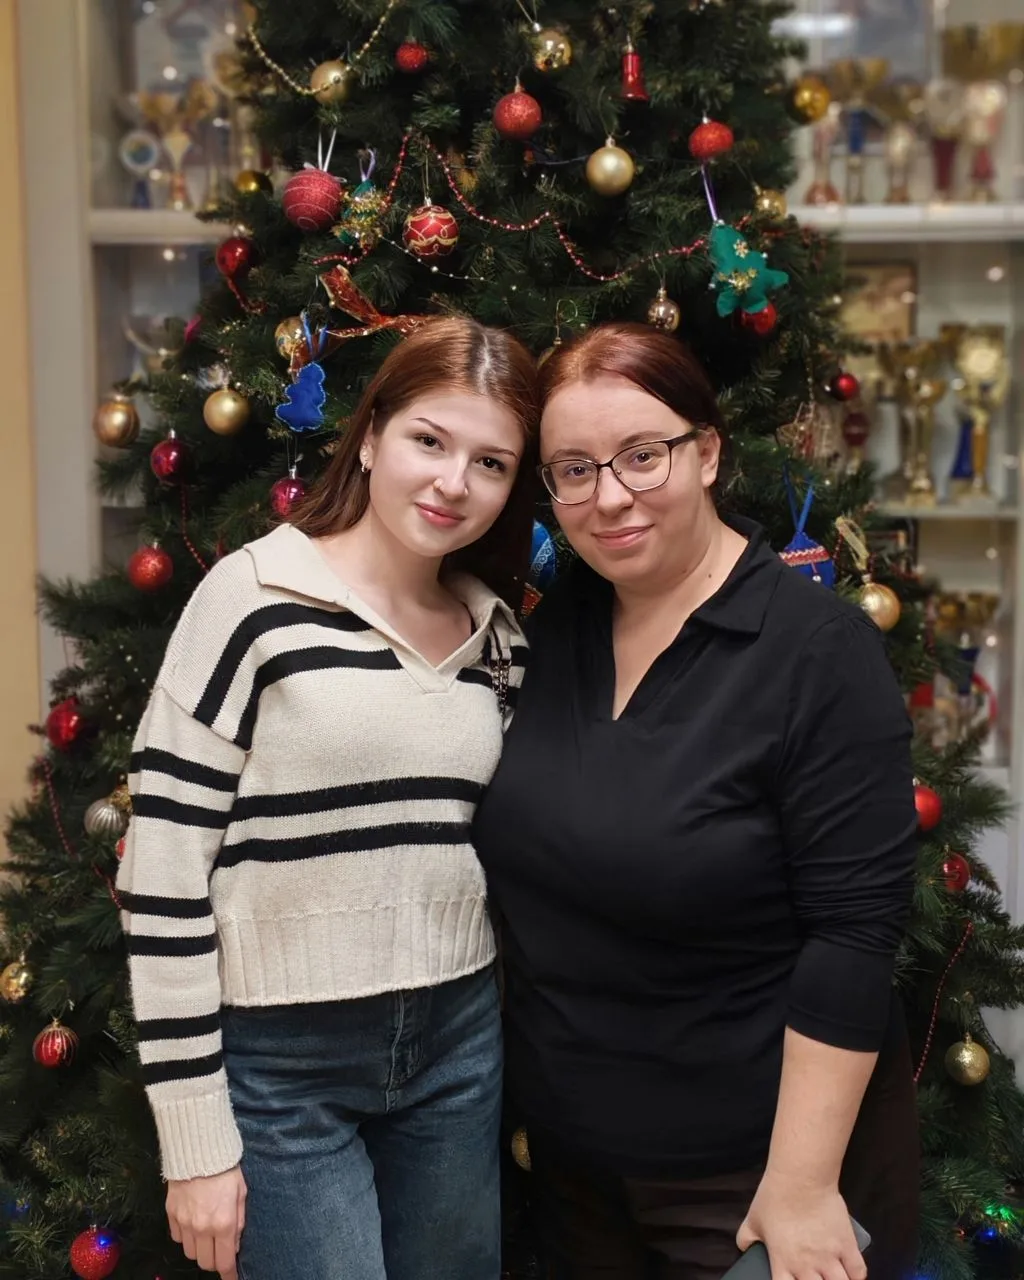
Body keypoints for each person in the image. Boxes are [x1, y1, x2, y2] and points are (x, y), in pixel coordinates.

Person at [474, 322, 920, 1280]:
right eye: (574, 470)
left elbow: (852, 937)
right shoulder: (556, 632)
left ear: (708, 452)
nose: (610, 497)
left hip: (749, 1183)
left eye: (644, 455)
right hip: (574, 1172)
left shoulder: (816, 653)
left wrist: (800, 1185)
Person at [116, 316, 538, 1280]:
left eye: (491, 463)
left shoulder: (500, 641)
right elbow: (162, 875)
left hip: (459, 1041)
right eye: (429, 440)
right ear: (373, 433)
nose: (453, 482)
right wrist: (195, 1145)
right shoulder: (252, 598)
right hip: (280, 1060)